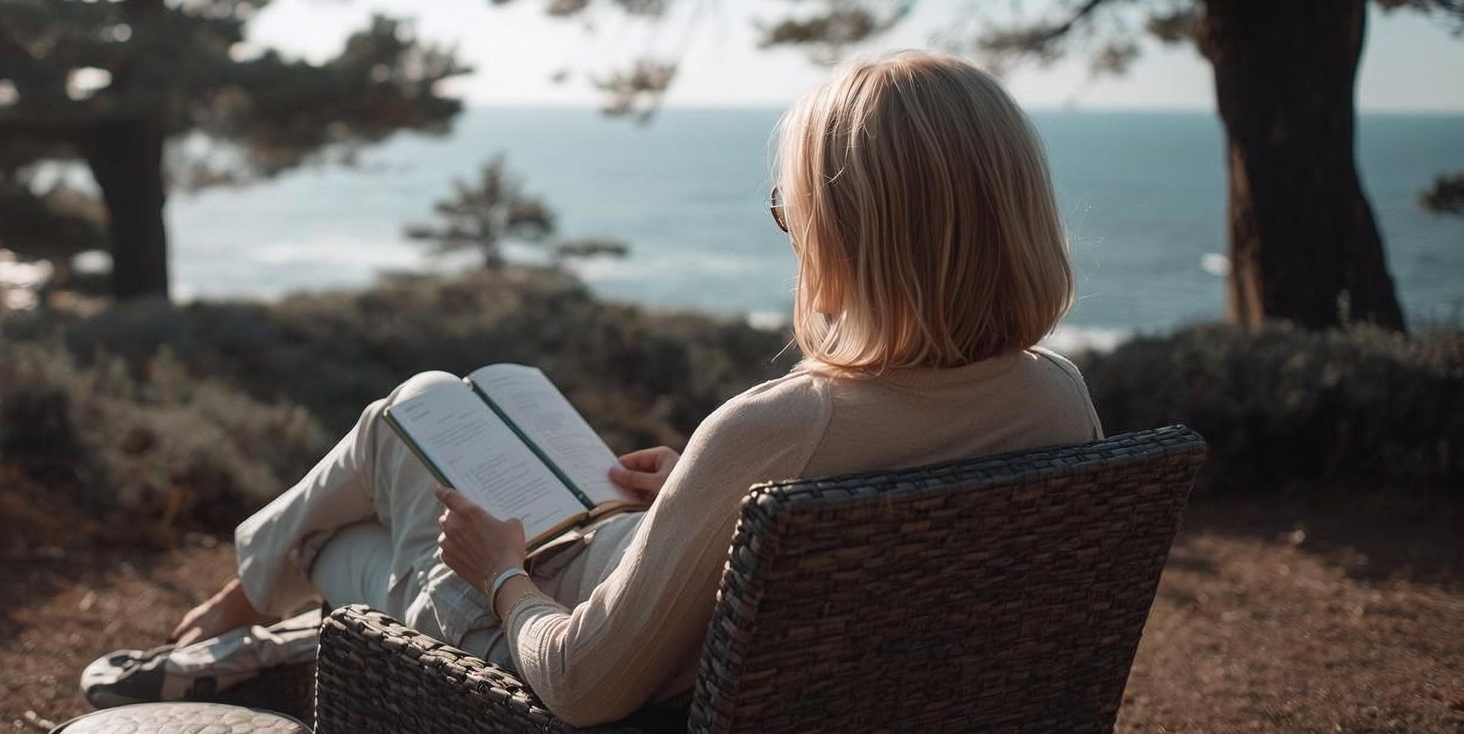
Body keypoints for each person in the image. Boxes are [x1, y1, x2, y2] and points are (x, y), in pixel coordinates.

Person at [168, 51, 1103, 727]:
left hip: (545, 643)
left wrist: (498, 571)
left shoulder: (787, 425)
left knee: (396, 440)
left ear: (849, 234)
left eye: (796, 213)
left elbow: (580, 685)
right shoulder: (1058, 399)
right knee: (409, 428)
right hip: (715, 625)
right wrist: (708, 501)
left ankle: (232, 617)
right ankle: (245, 612)